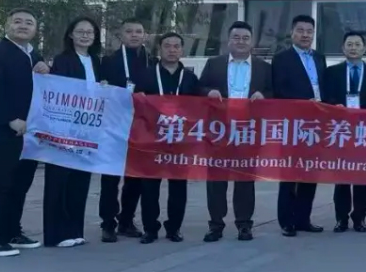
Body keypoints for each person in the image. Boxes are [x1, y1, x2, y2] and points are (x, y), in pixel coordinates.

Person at [0, 8, 48, 257]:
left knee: (19, 185)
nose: (23, 26)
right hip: (2, 131)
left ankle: (12, 231)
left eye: (29, 22)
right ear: (7, 26)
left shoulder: (34, 55)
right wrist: (10, 119)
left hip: (30, 134)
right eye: (17, 21)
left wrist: (46, 71)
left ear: (35, 29)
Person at [199, 21, 272, 242]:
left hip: (248, 131)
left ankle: (244, 224)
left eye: (245, 38)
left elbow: (274, 91)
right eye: (236, 37)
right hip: (219, 131)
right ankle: (215, 225)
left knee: (245, 180)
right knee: (216, 181)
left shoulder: (263, 67)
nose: (241, 41)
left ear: (252, 42)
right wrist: (209, 92)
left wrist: (264, 96)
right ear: (228, 40)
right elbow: (198, 88)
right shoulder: (214, 64)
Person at [44, 16, 103, 248]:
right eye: (81, 31)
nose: (85, 35)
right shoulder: (63, 60)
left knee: (80, 180)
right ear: (71, 34)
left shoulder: (95, 61)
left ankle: (75, 230)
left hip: (87, 128)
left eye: (90, 32)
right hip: (64, 127)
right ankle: (56, 233)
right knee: (59, 179)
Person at [136, 32, 199, 243]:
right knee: (149, 186)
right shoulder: (146, 75)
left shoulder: (190, 78)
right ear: (159, 49)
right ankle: (150, 228)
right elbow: (135, 106)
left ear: (182, 50)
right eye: (167, 46)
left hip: (181, 140)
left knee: (178, 186)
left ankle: (174, 228)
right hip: (152, 139)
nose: (172, 50)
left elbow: (200, 109)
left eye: (176, 46)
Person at [273, 14, 327, 237]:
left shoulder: (319, 58)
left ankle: (303, 219)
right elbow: (279, 91)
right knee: (290, 174)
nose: (305, 35)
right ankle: (287, 221)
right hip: (293, 124)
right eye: (301, 31)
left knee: (310, 173)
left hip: (315, 124)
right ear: (292, 33)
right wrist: (304, 103)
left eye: (309, 31)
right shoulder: (281, 59)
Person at [97, 18, 151, 242]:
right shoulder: (108, 61)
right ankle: (108, 223)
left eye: (138, 31)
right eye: (129, 31)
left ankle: (126, 220)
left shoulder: (151, 61)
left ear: (144, 35)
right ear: (121, 35)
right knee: (110, 177)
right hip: (114, 125)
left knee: (135, 178)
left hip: (141, 127)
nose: (134, 35)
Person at [322, 31, 366, 233]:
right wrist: (334, 106)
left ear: (364, 48)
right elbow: (326, 98)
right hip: (341, 130)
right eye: (350, 44)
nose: (353, 48)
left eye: (357, 44)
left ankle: (360, 218)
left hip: (364, 130)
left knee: (361, 178)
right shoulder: (332, 72)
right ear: (343, 48)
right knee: (342, 177)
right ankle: (341, 219)